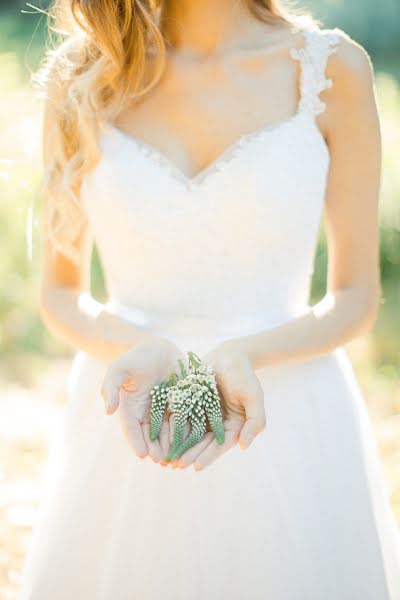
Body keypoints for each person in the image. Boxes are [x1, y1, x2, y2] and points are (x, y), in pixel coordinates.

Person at [18, 1, 400, 598]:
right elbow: (61, 295)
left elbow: (354, 296)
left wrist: (243, 354)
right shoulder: (83, 75)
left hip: (289, 412)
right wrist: (144, 346)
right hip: (129, 412)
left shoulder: (330, 70)